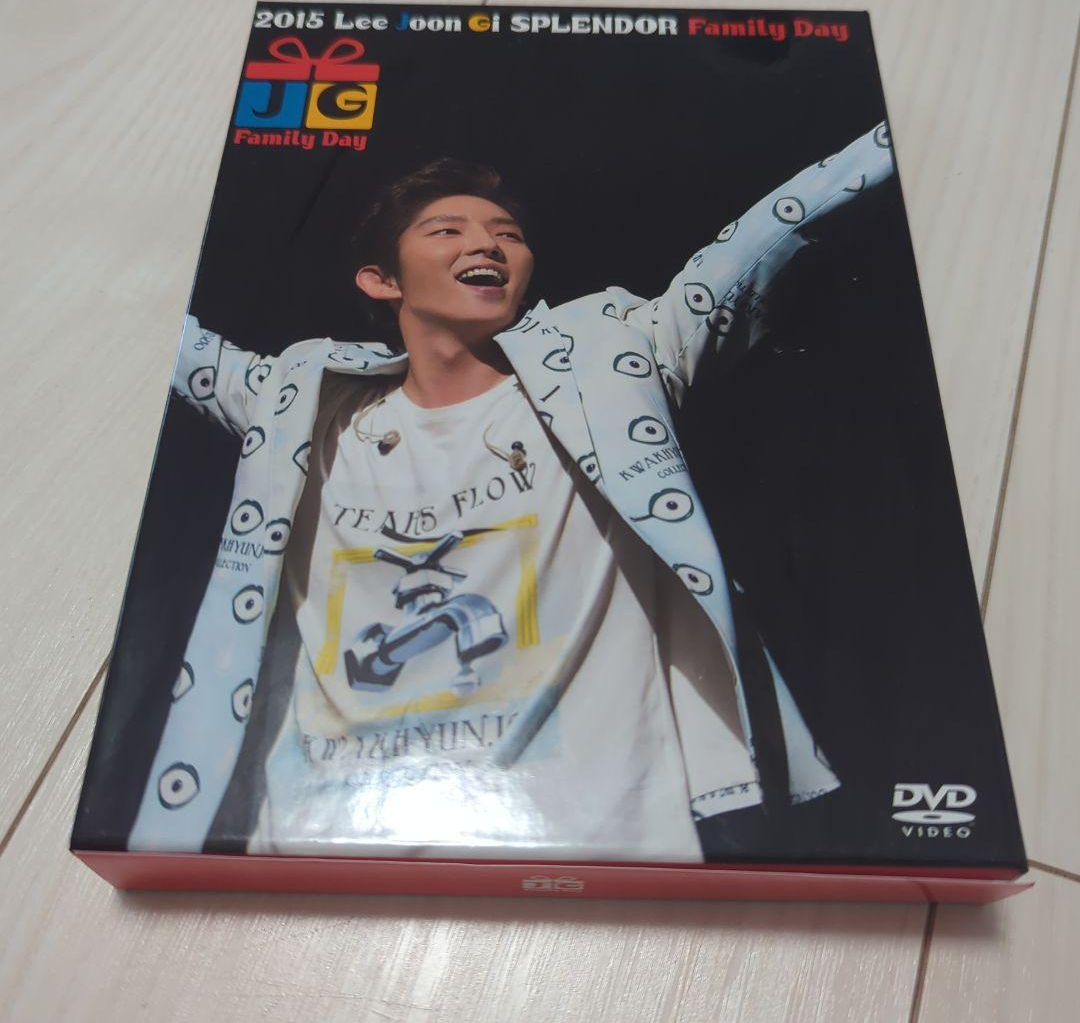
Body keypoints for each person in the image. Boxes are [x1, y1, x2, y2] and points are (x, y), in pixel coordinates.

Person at [129, 122, 895, 861]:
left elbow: (768, 235)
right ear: (381, 279)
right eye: (447, 230)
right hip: (320, 836)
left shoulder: (610, 365)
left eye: (508, 234)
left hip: (585, 835)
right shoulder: (300, 404)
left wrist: (900, 140)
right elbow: (160, 327)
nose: (487, 244)